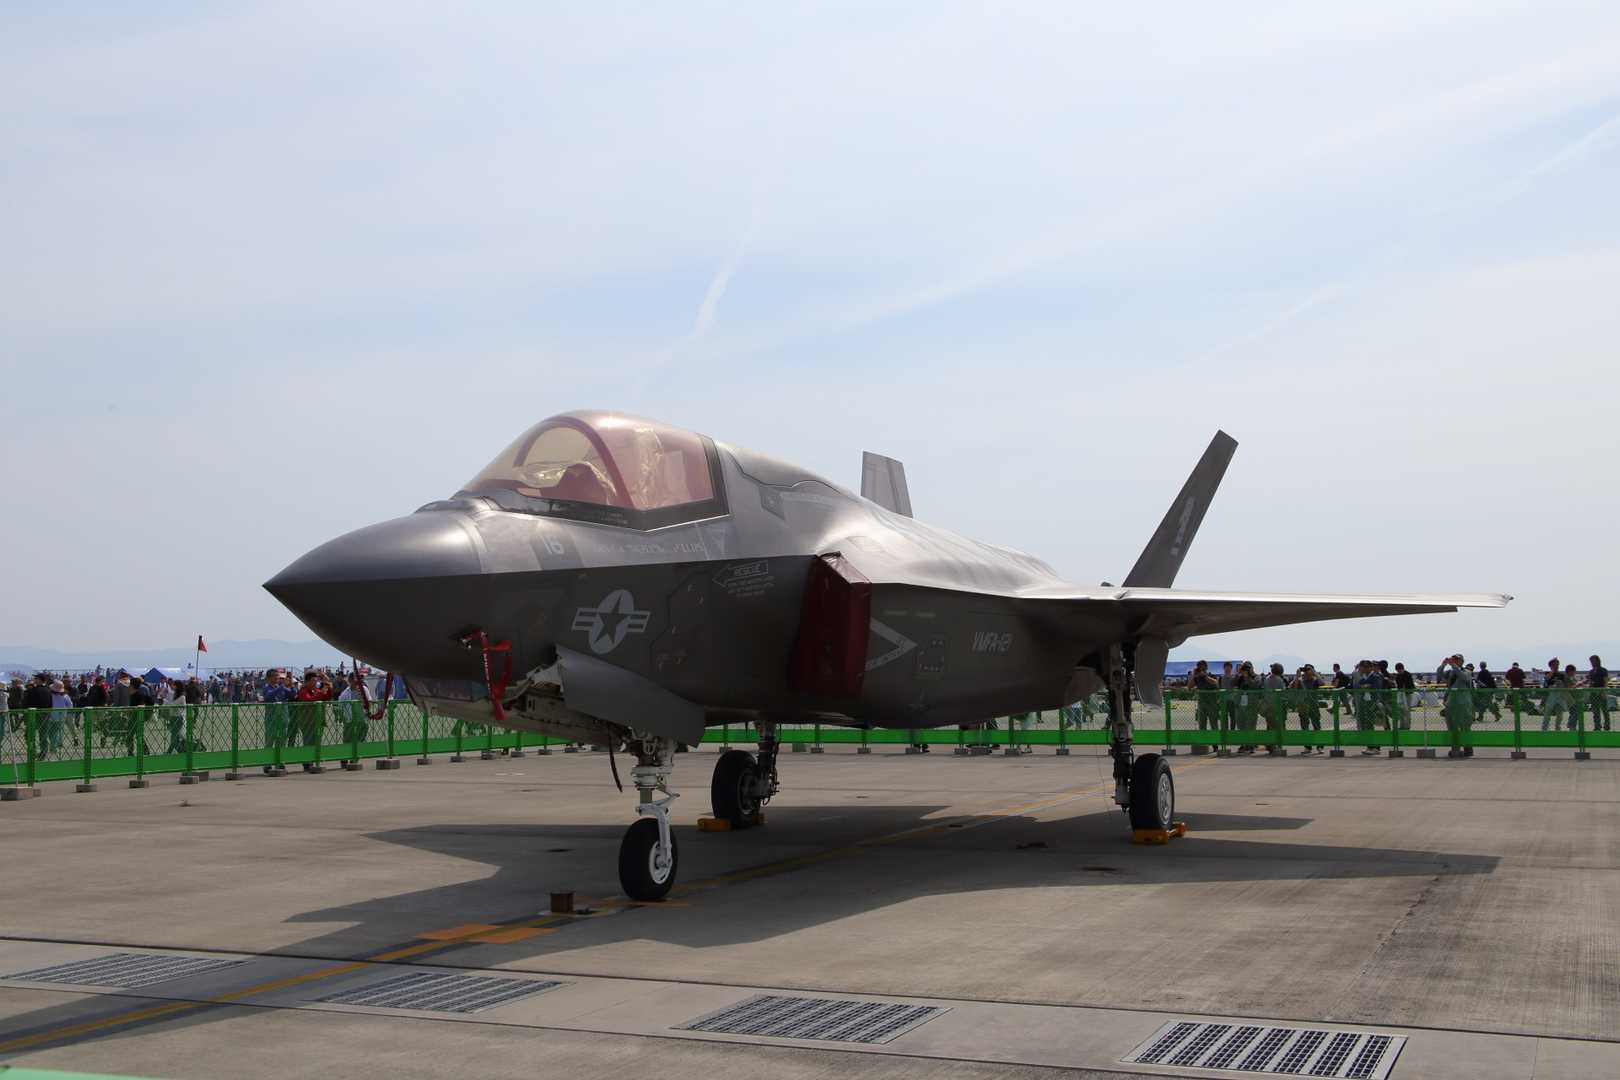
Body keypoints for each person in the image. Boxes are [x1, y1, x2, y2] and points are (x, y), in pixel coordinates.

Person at [1437, 655, 1475, 757]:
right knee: (1452, 727)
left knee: (1465, 727)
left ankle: (1468, 748)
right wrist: (1443, 665)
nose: (1455, 661)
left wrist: (1454, 666)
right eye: (1454, 659)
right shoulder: (1450, 673)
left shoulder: (1467, 672)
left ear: (1462, 661)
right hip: (1451, 703)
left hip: (1463, 703)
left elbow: (1464, 677)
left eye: (1457, 660)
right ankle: (1455, 749)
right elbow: (1439, 676)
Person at [262, 670, 295, 770]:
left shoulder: (280, 687)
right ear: (269, 678)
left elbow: (292, 695)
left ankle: (280, 762)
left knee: (282, 741)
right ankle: (267, 764)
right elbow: (268, 696)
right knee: (269, 742)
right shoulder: (266, 688)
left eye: (278, 676)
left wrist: (292, 685)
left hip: (283, 718)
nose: (277, 678)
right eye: (275, 676)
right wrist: (282, 687)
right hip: (271, 719)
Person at [1292, 664, 1323, 753]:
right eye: (1305, 670)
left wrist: (1314, 672)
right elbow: (1294, 688)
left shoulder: (1315, 681)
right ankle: (1307, 746)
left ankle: (1320, 746)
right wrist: (1297, 676)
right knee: (1304, 726)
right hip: (1303, 705)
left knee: (1317, 726)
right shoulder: (1301, 681)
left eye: (1308, 670)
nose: (1306, 672)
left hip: (1314, 705)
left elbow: (1322, 683)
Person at [1543, 660, 1569, 731]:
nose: (1556, 666)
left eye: (1557, 664)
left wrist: (1561, 684)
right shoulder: (1548, 673)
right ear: (1550, 666)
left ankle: (1558, 728)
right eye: (1554, 664)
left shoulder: (1562, 675)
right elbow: (1546, 681)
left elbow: (1566, 685)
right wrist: (1552, 672)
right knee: (1547, 713)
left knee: (1560, 715)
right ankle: (1544, 729)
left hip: (1560, 696)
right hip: (1551, 696)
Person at [1588, 656, 1610, 733]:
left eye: (1593, 661)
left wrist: (1603, 691)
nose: (1592, 663)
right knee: (1595, 711)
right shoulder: (1591, 671)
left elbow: (1605, 681)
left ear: (1598, 661)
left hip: (1601, 691)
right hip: (1594, 693)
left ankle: (1607, 725)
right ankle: (1597, 726)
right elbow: (1590, 682)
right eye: (1591, 661)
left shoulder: (1603, 670)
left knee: (1605, 710)